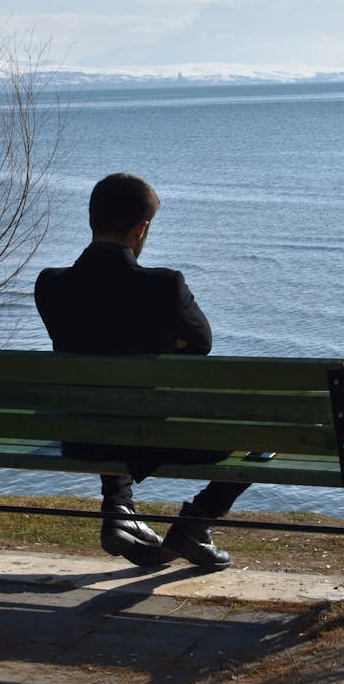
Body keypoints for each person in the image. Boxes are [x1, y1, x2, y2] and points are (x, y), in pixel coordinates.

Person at [34, 172, 248, 571]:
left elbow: (86, 346)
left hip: (82, 436)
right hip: (154, 437)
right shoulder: (165, 287)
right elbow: (201, 343)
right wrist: (166, 346)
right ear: (142, 228)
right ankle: (198, 520)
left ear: (91, 221)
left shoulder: (50, 285)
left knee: (105, 401)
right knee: (262, 428)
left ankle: (117, 506)